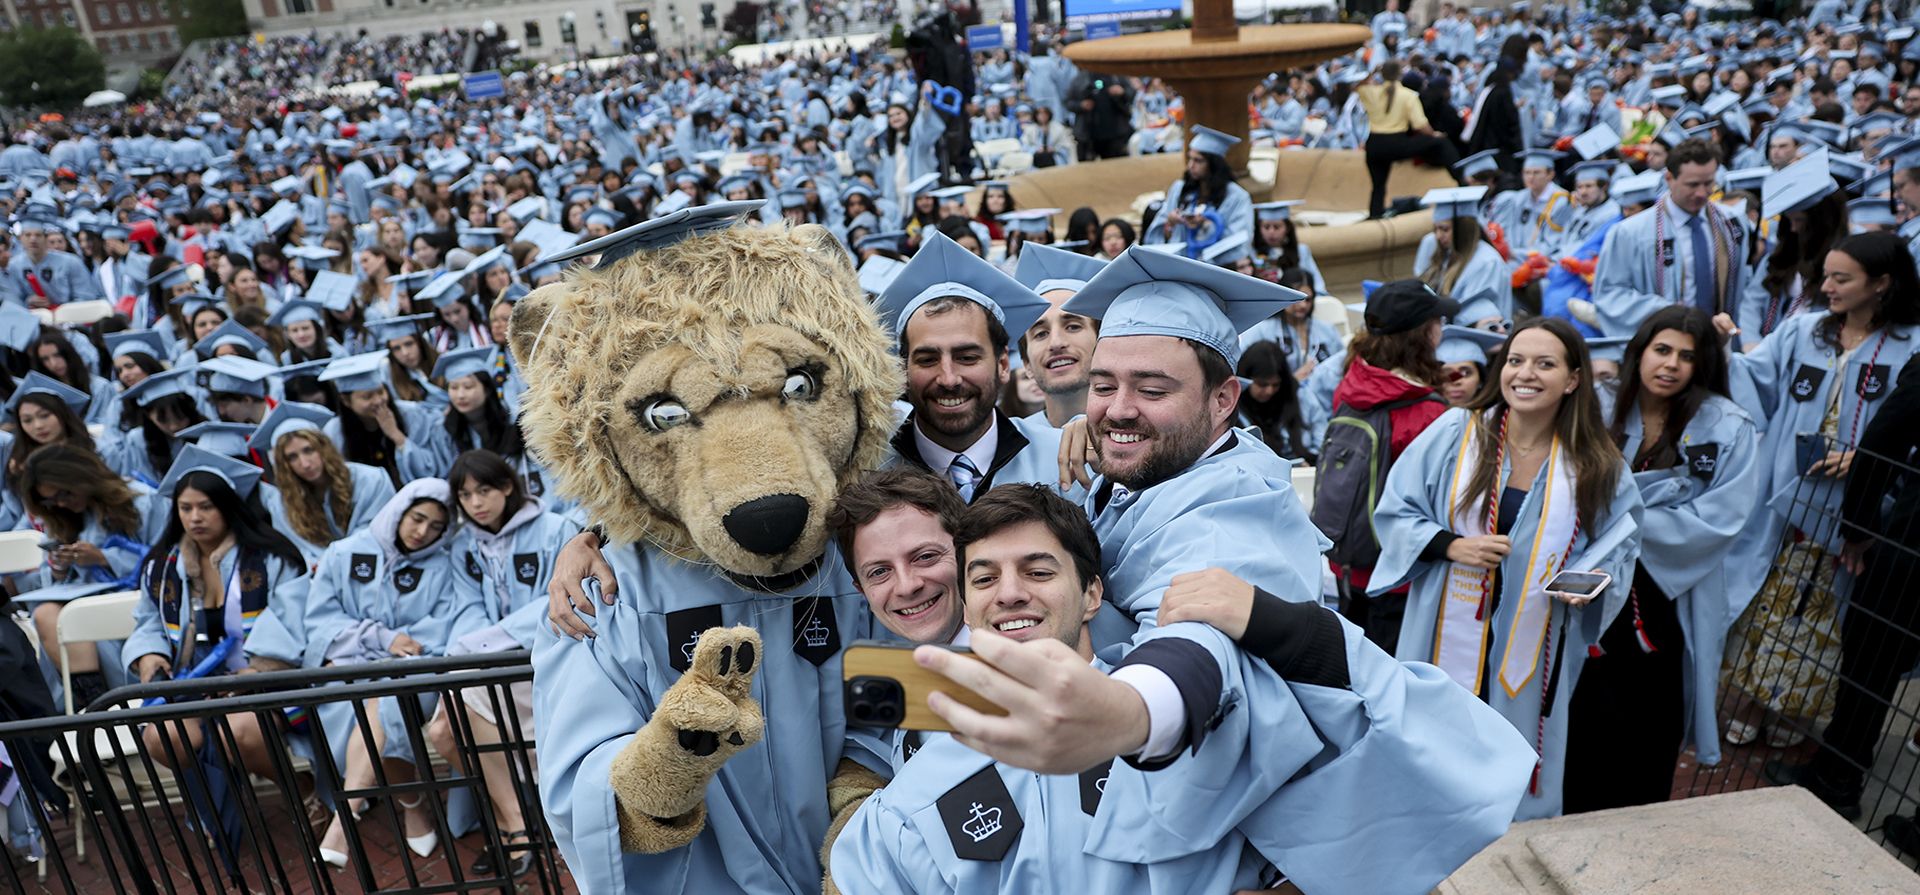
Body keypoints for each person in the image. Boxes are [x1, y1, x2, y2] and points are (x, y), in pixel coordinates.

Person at [1372, 318, 1643, 819]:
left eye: (1545, 364)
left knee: (1510, 765)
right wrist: (1451, 546)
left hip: (1533, 637)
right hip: (1444, 626)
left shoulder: (1595, 463)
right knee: (1433, 752)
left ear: (1573, 379)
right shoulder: (1457, 433)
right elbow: (1395, 511)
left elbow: (1621, 541)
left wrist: (1589, 581)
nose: (1526, 374)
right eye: (1516, 361)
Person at [1719, 232, 1920, 750]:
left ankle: (1796, 709)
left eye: (1841, 278)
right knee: (1767, 599)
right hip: (1785, 495)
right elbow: (1754, 383)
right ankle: (1750, 700)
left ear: (1881, 283)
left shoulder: (1912, 345)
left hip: (1857, 508)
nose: (1826, 287)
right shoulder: (1804, 329)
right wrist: (1721, 345)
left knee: (1824, 610)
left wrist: (1871, 458)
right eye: (1826, 275)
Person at [1565, 308, 1759, 813]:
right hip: (1590, 576)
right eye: (1662, 350)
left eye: (1687, 356)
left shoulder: (1727, 424)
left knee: (1652, 703)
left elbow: (1722, 516)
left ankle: (1642, 811)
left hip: (1667, 587)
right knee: (1584, 700)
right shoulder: (1598, 404)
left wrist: (1624, 524)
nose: (1671, 364)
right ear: (1640, 352)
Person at [302, 479, 477, 867]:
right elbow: (321, 621)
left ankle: (344, 822)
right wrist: (383, 638)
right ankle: (413, 806)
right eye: (417, 518)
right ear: (399, 510)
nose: (422, 532)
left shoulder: (443, 566)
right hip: (350, 672)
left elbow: (440, 630)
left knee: (387, 702)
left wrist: (395, 652)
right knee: (377, 711)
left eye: (436, 526)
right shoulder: (344, 553)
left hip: (412, 676)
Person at [424, 450, 579, 879]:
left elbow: (556, 602)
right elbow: (466, 605)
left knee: (450, 716)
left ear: (508, 487)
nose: (476, 503)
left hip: (544, 659)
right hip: (489, 660)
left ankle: (514, 826)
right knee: (442, 732)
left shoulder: (555, 530)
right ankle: (517, 817)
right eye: (465, 495)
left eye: (484, 490)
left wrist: (487, 645)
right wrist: (476, 648)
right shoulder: (465, 544)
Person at [124, 446, 309, 789]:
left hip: (259, 679)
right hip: (192, 680)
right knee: (163, 737)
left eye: (206, 507)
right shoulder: (163, 566)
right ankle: (221, 807)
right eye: (186, 508)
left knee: (239, 732)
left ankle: (298, 789)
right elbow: (149, 621)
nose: (195, 517)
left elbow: (291, 619)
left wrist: (258, 671)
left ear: (228, 507)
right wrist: (148, 655)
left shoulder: (271, 560)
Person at [874, 232, 1076, 501]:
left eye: (967, 358)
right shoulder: (870, 472)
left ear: (1003, 364)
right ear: (903, 370)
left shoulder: (1062, 462)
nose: (948, 379)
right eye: (927, 360)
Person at [1319, 280, 1455, 648]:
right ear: (1423, 333)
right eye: (1438, 321)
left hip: (1348, 563)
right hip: (1400, 573)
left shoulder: (1351, 385)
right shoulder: (1428, 412)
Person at [19, 444, 168, 706]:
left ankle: (109, 702)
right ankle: (93, 700)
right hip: (84, 607)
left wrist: (103, 558)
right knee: (46, 614)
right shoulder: (63, 516)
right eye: (51, 500)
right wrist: (60, 566)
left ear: (81, 476)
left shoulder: (142, 502)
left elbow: (167, 560)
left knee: (72, 621)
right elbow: (51, 575)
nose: (61, 503)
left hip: (137, 605)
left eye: (64, 493)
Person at [1594, 139, 1749, 343]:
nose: (1701, 193)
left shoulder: (1731, 224)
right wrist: (1668, 312)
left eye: (1708, 183)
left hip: (1717, 345)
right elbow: (1610, 295)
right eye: (1692, 185)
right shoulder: (1630, 232)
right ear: (1669, 178)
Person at [252, 401, 396, 567]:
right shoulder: (282, 504)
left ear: (323, 447)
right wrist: (319, 564)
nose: (305, 464)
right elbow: (298, 550)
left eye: (308, 450)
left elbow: (379, 530)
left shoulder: (371, 480)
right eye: (292, 457)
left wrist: (334, 559)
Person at [1011, 244, 1103, 428]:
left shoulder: (1145, 437)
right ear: (1027, 364)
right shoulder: (1009, 442)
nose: (1056, 343)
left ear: (1103, 344)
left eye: (1073, 327)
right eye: (1041, 334)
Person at [1358, 61, 1462, 220]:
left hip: (1374, 145)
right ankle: (1463, 179)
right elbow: (1420, 125)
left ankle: (1375, 214)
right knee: (1441, 143)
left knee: (1378, 186)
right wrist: (1434, 135)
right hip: (1396, 143)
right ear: (1400, 75)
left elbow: (1358, 86)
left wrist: (1372, 72)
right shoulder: (1408, 95)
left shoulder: (1373, 92)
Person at [1141, 127, 1253, 253]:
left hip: (1214, 263)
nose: (1191, 165)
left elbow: (1240, 242)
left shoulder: (1237, 197)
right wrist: (1171, 223)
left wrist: (1207, 226)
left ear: (1214, 164)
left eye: (1198, 161)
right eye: (1190, 158)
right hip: (1179, 261)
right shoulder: (1179, 189)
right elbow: (1158, 238)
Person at [1416, 187, 1513, 318]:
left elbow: (1476, 313)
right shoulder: (1447, 254)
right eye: (1436, 229)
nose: (1438, 236)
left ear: (1463, 229)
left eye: (1445, 229)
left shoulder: (1487, 263)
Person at [1233, 341, 1313, 463]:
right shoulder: (1234, 408)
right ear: (1245, 379)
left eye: (1275, 385)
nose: (1269, 391)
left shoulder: (1295, 396)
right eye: (1262, 384)